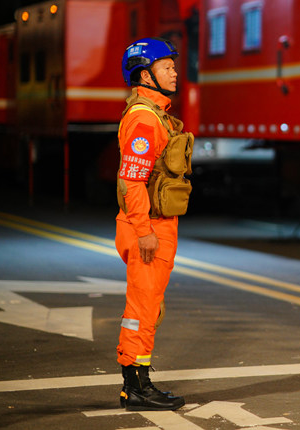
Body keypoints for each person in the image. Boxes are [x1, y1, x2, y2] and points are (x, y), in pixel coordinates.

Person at [116, 38, 192, 411]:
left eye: (173, 67)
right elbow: (132, 180)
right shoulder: (145, 119)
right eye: (167, 67)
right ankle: (135, 386)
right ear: (145, 75)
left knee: (150, 307)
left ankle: (141, 380)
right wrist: (144, 230)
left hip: (157, 223)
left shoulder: (156, 114)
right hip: (148, 225)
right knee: (142, 308)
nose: (175, 73)